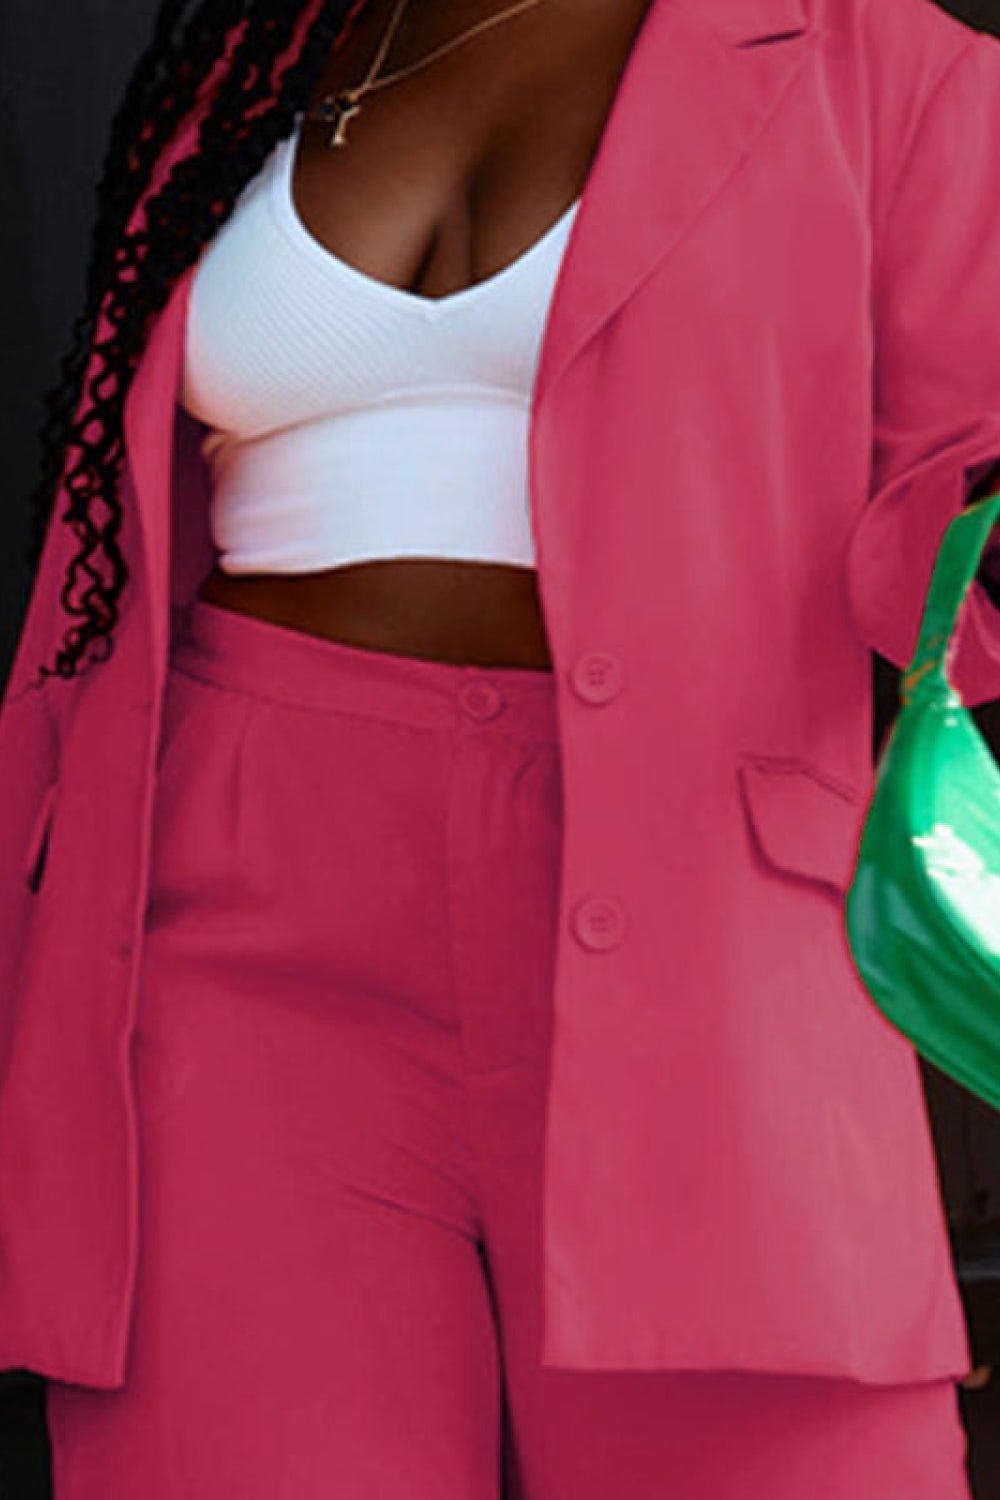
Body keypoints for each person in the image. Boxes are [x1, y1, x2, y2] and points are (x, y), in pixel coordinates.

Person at [3, 0, 1000, 1493]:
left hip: (704, 934)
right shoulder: (259, 55)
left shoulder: (893, 67)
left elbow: (944, 528)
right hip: (228, 910)